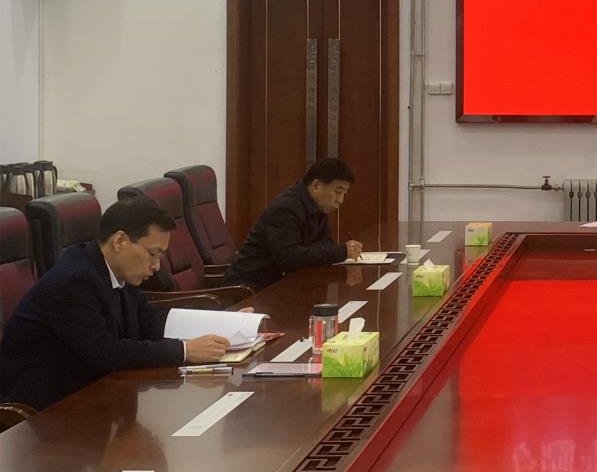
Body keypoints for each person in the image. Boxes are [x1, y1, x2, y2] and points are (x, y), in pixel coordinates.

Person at [0, 197, 230, 410]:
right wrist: (185, 350)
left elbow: (151, 321)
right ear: (120, 241)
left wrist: (227, 325)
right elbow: (105, 352)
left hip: (92, 395)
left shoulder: (116, 272)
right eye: (153, 254)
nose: (157, 266)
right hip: (42, 411)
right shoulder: (73, 281)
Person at [224, 157, 362, 290]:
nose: (340, 200)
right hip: (251, 288)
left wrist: (309, 252)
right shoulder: (285, 208)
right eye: (338, 192)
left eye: (344, 193)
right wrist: (341, 251)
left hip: (284, 283)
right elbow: (289, 257)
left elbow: (326, 243)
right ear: (316, 186)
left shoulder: (318, 206)